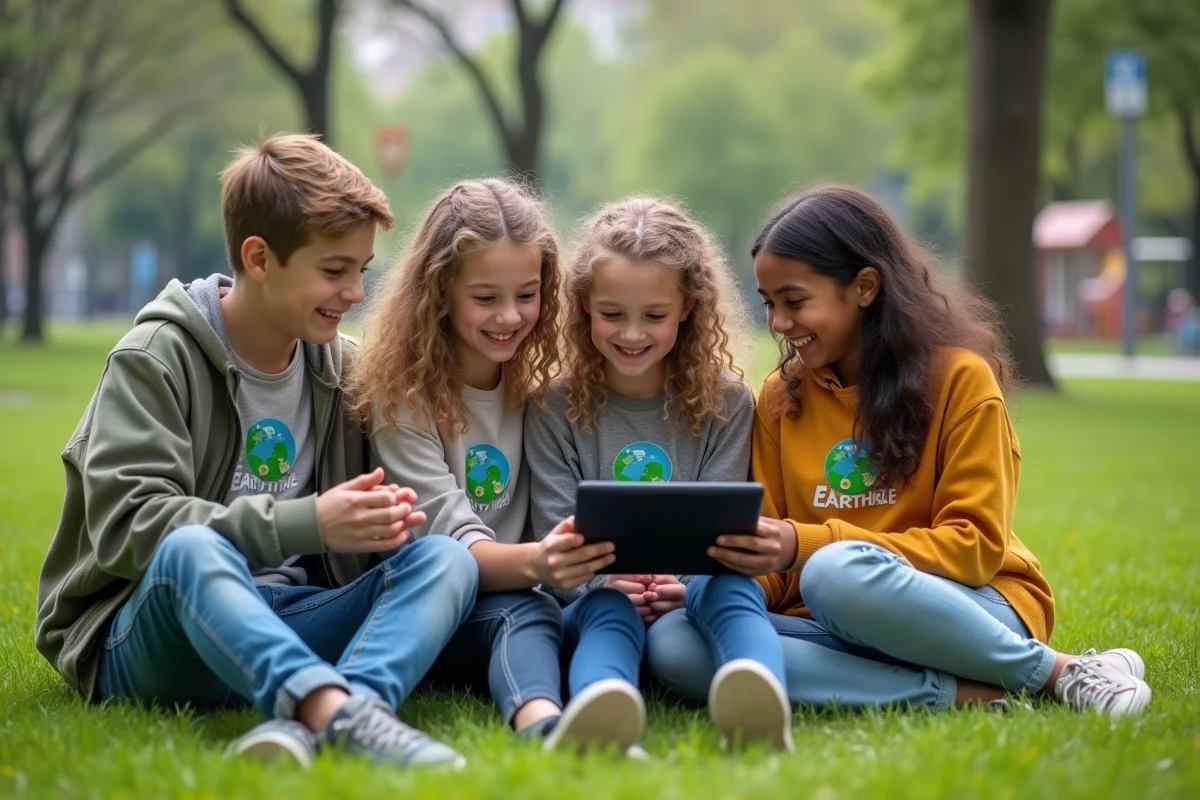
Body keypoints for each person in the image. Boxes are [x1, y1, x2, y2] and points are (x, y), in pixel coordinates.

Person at [34, 133, 480, 771]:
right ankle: (333, 709)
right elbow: (129, 525)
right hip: (160, 640)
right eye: (334, 270)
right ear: (260, 258)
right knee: (189, 548)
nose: (355, 292)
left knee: (445, 560)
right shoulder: (155, 359)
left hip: (291, 619)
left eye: (362, 269)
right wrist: (310, 522)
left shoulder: (344, 370)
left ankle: (345, 712)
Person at [647, 185, 1152, 718]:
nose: (778, 323)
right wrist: (724, 592)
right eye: (770, 304)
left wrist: (808, 545)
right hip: (827, 615)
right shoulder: (780, 397)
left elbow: (974, 549)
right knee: (676, 641)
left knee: (835, 572)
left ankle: (1057, 671)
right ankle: (966, 693)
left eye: (795, 302)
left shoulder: (960, 380)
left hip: (972, 608)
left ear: (864, 286)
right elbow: (777, 555)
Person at [350, 178, 631, 752]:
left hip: (537, 591)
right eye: (485, 298)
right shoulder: (403, 397)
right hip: (438, 609)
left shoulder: (538, 389)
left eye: (527, 295)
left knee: (584, 611)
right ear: (438, 293)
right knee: (521, 612)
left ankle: (592, 710)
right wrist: (547, 563)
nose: (510, 316)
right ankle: (545, 727)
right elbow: (456, 546)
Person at [526, 198, 794, 753]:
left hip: (692, 594)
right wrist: (604, 581)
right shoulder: (552, 406)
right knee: (605, 610)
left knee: (733, 589)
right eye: (612, 314)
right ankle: (604, 709)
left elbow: (719, 529)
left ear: (688, 308)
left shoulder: (725, 400)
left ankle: (759, 696)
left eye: (654, 315)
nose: (632, 334)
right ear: (583, 305)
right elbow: (556, 535)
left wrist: (683, 583)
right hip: (594, 597)